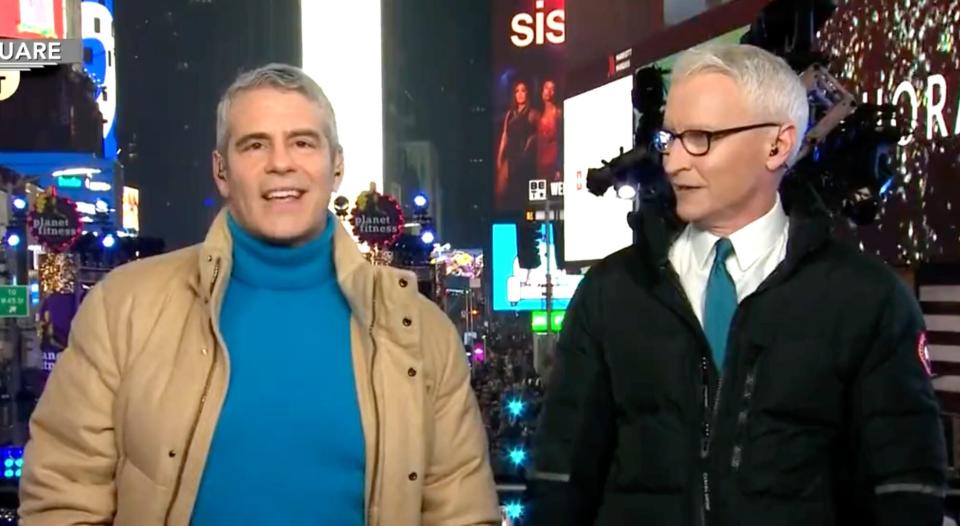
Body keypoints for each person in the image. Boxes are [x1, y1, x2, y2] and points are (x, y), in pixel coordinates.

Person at [19, 63, 499, 526]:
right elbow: (63, 498)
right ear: (221, 171)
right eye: (255, 145)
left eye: (303, 143)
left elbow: (461, 511)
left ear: (336, 167)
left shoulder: (419, 331)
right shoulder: (123, 308)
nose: (281, 163)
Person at [528, 44, 947, 525]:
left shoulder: (867, 299)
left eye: (701, 138)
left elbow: (904, 488)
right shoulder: (611, 291)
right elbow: (560, 478)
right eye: (671, 139)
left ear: (778, 145)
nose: (674, 162)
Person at [496, 80, 539, 209]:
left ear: (528, 93)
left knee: (521, 194)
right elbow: (505, 135)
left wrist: (529, 143)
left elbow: (539, 135)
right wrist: (499, 156)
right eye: (517, 91)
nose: (520, 94)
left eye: (523, 90)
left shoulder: (533, 113)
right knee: (501, 192)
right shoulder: (510, 114)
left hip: (524, 159)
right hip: (510, 157)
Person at [536, 80, 562, 181]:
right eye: (546, 88)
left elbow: (561, 141)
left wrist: (558, 167)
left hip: (553, 163)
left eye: (552, 89)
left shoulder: (558, 114)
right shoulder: (538, 115)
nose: (548, 91)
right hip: (540, 164)